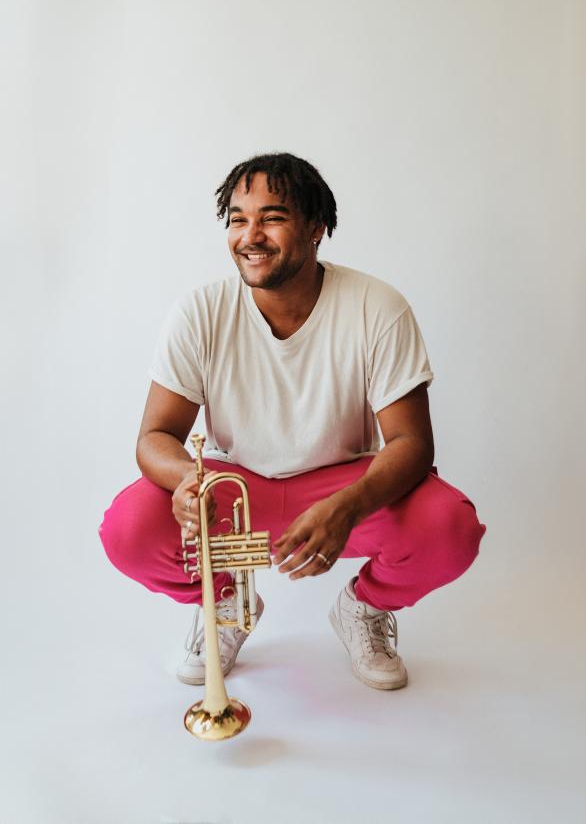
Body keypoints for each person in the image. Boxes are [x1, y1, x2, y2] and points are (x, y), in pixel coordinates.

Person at [99, 152, 486, 691]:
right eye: (237, 219)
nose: (250, 235)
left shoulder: (377, 305)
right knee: (128, 529)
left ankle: (363, 609)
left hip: (343, 488)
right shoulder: (200, 311)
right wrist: (187, 479)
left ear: (316, 229)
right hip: (235, 492)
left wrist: (349, 505)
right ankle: (227, 601)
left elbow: (411, 443)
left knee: (449, 527)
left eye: (272, 217)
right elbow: (155, 436)